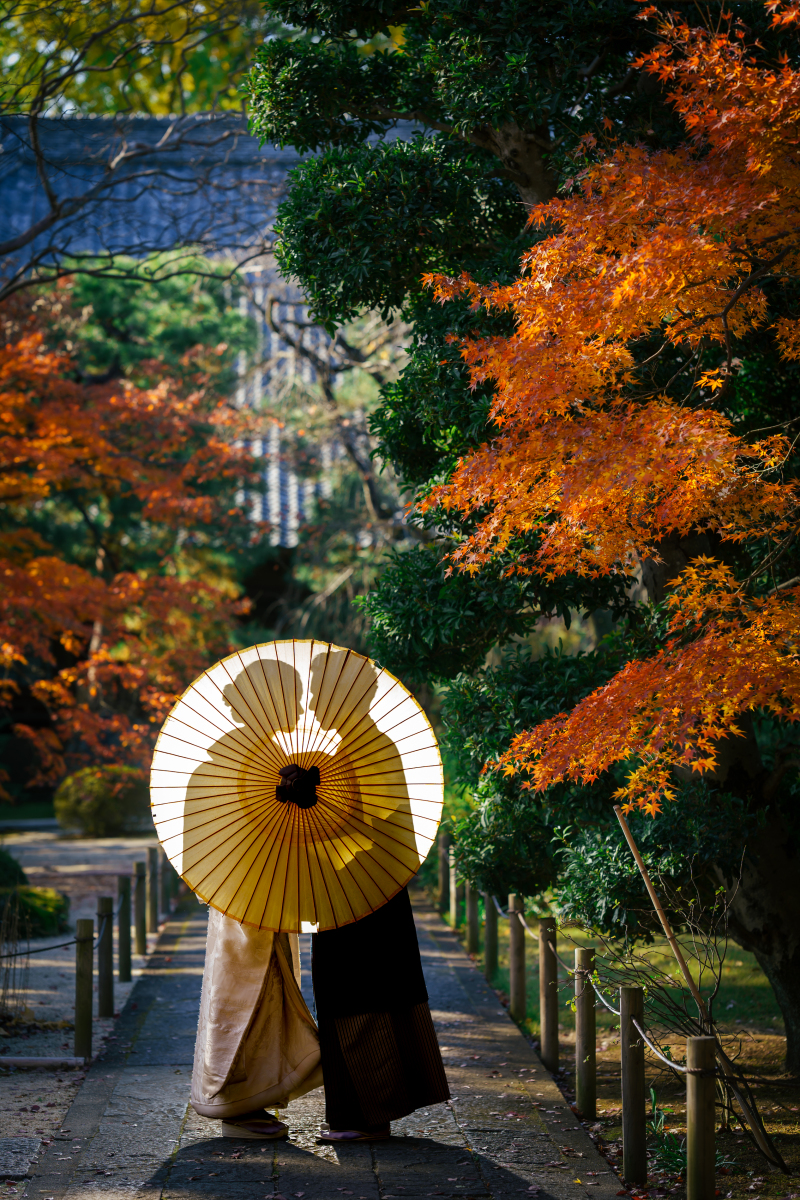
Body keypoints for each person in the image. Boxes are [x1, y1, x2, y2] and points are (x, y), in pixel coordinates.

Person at [312, 885, 450, 1141]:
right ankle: (360, 1116)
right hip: (359, 887)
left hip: (351, 889)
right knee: (355, 989)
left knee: (354, 990)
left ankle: (365, 1117)